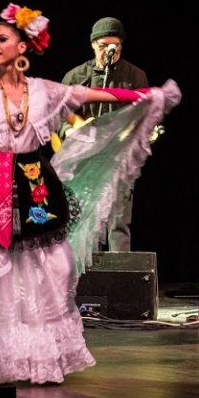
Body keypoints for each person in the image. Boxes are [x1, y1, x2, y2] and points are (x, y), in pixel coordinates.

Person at [0, 2, 180, 385]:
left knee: (55, 266)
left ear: (22, 47)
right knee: (4, 273)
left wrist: (146, 96)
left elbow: (93, 95)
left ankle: (43, 352)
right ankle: (8, 353)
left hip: (35, 185)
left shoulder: (43, 91)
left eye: (2, 39)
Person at [62, 17, 149, 252]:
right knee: (86, 222)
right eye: (103, 46)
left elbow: (141, 116)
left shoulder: (135, 77)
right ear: (93, 45)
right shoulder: (75, 77)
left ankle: (120, 273)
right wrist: (71, 129)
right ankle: (87, 273)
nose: (110, 52)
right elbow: (61, 115)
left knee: (118, 223)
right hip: (85, 161)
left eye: (115, 46)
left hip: (119, 158)